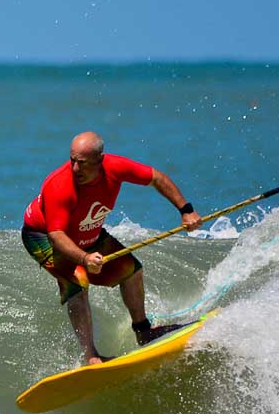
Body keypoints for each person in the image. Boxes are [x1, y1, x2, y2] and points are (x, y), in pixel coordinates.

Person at [22, 132, 202, 365]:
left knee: (132, 271)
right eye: (72, 160)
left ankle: (143, 331)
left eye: (83, 163)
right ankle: (91, 356)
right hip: (44, 236)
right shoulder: (59, 185)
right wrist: (85, 258)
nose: (75, 168)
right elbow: (57, 235)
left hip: (87, 233)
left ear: (100, 160)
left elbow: (156, 177)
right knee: (78, 283)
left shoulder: (115, 168)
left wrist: (185, 209)